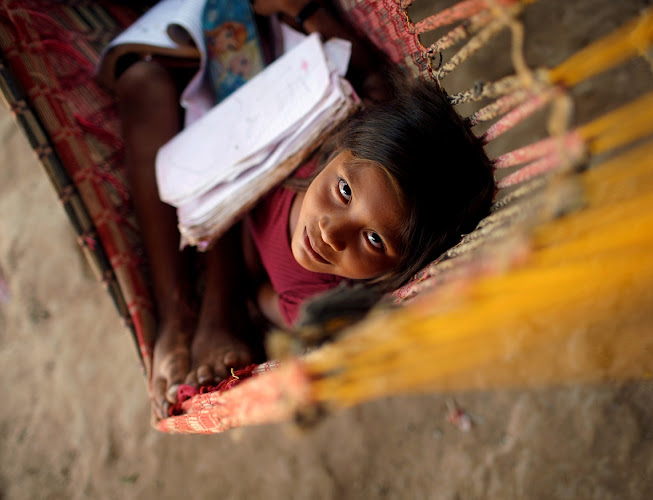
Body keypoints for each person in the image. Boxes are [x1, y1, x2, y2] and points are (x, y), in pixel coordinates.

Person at [114, 0, 494, 418]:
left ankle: (194, 308)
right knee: (141, 81)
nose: (332, 232)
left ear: (400, 268)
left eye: (373, 239)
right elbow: (365, 68)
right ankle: (179, 311)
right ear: (341, 149)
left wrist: (254, 302)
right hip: (230, 122)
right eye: (344, 191)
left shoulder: (317, 296)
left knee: (170, 123)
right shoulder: (350, 128)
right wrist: (305, 9)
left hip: (225, 233)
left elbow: (264, 301)